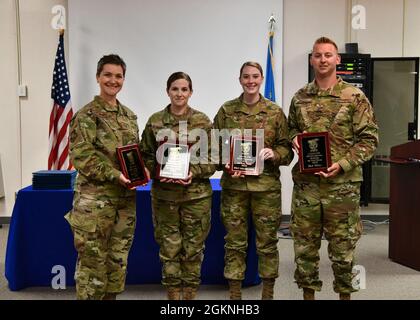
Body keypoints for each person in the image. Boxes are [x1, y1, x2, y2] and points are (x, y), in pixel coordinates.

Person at [287, 37, 379, 300]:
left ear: (338, 59)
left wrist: (342, 164)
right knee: (304, 251)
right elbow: (291, 129)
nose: (323, 60)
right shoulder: (300, 97)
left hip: (343, 188)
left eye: (328, 55)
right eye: (318, 55)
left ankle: (345, 297)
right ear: (311, 60)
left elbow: (370, 139)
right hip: (307, 187)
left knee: (343, 252)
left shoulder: (354, 97)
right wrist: (293, 138)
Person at [65, 54, 149, 300]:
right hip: (94, 205)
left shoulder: (129, 116)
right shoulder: (87, 115)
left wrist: (142, 169)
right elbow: (82, 157)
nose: (113, 80)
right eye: (108, 75)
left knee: (116, 262)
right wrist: (115, 175)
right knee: (93, 266)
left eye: (118, 76)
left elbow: (134, 152)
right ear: (98, 77)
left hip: (124, 203)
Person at [213, 62, 293, 300]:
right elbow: (213, 148)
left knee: (267, 243)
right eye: (246, 76)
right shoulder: (226, 111)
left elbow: (287, 150)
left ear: (261, 79)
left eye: (255, 76)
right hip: (234, 189)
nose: (251, 81)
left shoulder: (274, 112)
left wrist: (274, 154)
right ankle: (235, 296)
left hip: (265, 190)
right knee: (235, 243)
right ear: (240, 80)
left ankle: (267, 294)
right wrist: (225, 163)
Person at [140, 72, 216, 300]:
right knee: (169, 250)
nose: (179, 94)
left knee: (193, 250)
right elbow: (145, 155)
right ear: (168, 91)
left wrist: (194, 171)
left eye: (184, 89)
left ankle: (190, 296)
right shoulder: (155, 121)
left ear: (190, 92)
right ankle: (173, 296)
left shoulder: (203, 121)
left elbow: (213, 159)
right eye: (175, 89)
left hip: (196, 198)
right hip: (165, 198)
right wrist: (158, 172)